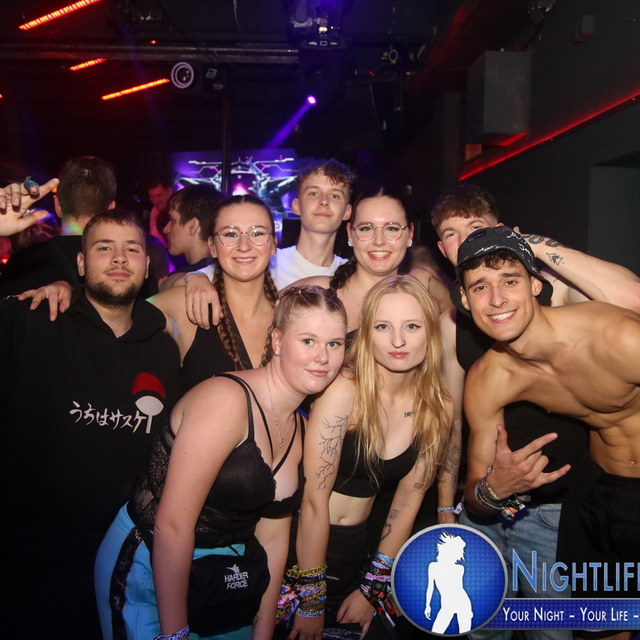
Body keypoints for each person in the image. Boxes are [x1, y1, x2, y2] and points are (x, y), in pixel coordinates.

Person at [430, 183, 640, 640]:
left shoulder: (615, 336)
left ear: (536, 285)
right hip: (597, 498)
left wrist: (532, 244)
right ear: (464, 302)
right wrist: (494, 489)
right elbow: (477, 496)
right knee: (604, 628)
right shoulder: (489, 379)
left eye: (510, 281)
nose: (497, 299)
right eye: (480, 287)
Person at [94, 286, 348, 640]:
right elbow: (172, 524)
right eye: (308, 341)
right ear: (277, 341)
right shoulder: (226, 401)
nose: (322, 357)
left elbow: (273, 539)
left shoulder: (301, 428)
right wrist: (175, 634)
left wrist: (263, 632)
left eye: (335, 344)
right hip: (151, 564)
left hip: (225, 574)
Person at [0, 194, 180, 639]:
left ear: (146, 265)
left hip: (125, 567)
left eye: (131, 249)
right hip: (28, 567)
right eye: (104, 248)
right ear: (80, 264)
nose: (119, 258)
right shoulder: (34, 319)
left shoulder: (164, 349)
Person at [286, 275, 452, 639]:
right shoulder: (345, 391)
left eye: (412, 326)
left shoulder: (437, 407)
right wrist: (311, 599)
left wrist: (372, 586)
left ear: (431, 331)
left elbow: (408, 501)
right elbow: (313, 501)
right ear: (366, 333)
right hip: (302, 546)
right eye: (382, 326)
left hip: (359, 547)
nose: (398, 340)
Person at [26, 194, 280, 395]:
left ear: (273, 245)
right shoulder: (182, 306)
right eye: (230, 234)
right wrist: (68, 291)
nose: (244, 245)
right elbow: (111, 313)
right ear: (212, 246)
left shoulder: (289, 313)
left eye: (257, 233)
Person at [180, 159, 355, 327]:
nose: (324, 201)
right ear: (296, 206)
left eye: (334, 195)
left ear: (347, 212)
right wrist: (195, 278)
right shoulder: (263, 260)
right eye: (314, 193)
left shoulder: (354, 274)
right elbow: (170, 284)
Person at [159, 182, 221, 289]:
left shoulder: (186, 285)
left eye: (173, 220)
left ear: (193, 226)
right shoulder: (222, 273)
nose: (166, 229)